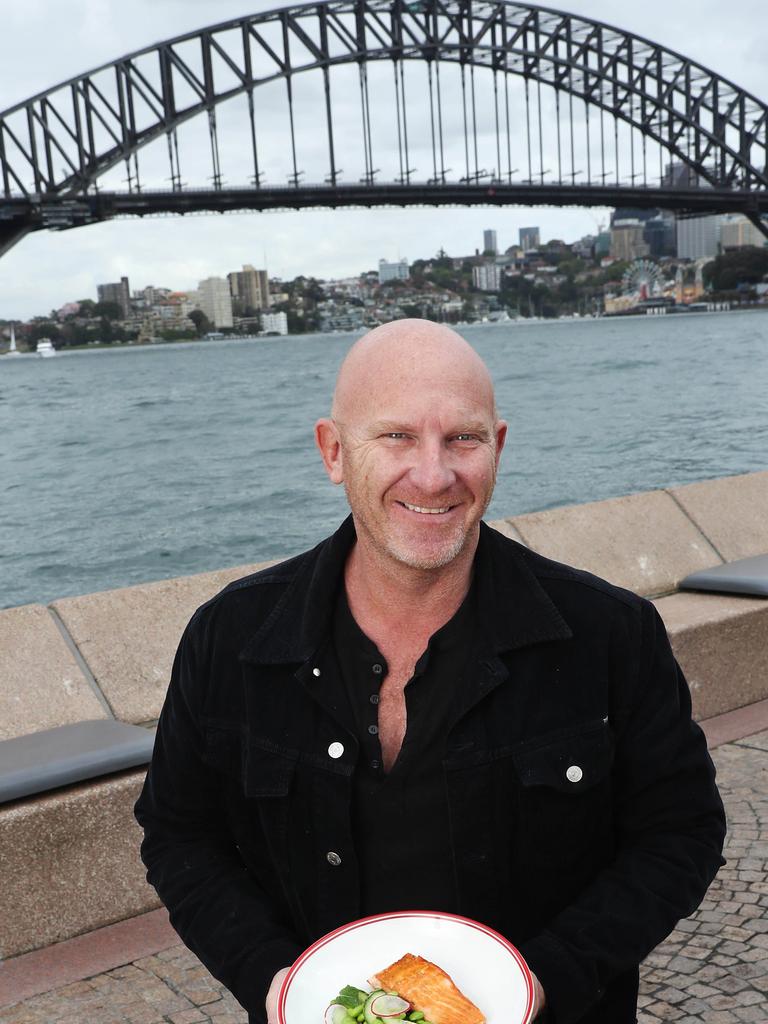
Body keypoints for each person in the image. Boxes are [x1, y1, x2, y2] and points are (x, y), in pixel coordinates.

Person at [134, 318, 726, 1024]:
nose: (435, 474)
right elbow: (179, 835)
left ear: (498, 448)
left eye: (463, 439)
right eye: (396, 437)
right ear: (333, 451)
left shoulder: (609, 635)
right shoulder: (230, 639)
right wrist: (272, 981)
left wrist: (545, 982)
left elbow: (681, 832)